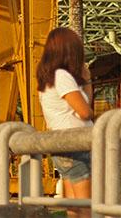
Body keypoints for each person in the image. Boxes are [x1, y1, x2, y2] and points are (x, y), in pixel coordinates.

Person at [37, 27, 93, 218]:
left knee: (73, 207)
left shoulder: (49, 77)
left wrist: (86, 82)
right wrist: (87, 80)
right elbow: (85, 112)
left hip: (63, 145)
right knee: (86, 206)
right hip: (76, 146)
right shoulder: (62, 76)